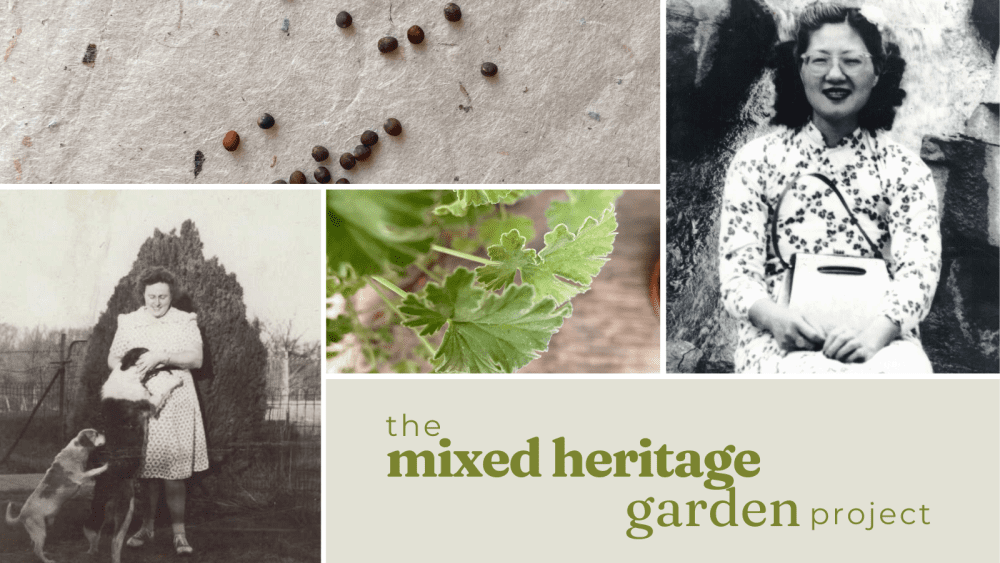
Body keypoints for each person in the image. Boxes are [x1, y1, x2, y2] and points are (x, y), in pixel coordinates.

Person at [718, 3, 941, 373]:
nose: (834, 75)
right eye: (819, 60)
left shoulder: (906, 170)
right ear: (800, 68)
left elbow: (919, 274)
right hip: (779, 341)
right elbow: (737, 277)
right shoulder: (755, 160)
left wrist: (872, 338)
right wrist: (777, 320)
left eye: (851, 61)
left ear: (876, 71)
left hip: (883, 340)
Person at [107, 266, 209, 555]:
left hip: (176, 399)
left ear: (171, 295)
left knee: (174, 470)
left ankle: (180, 533)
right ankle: (147, 527)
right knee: (147, 469)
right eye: (152, 296)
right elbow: (113, 358)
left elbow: (196, 358)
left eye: (162, 296)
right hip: (142, 399)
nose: (157, 302)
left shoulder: (184, 321)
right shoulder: (129, 322)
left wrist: (163, 357)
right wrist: (134, 367)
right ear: (143, 294)